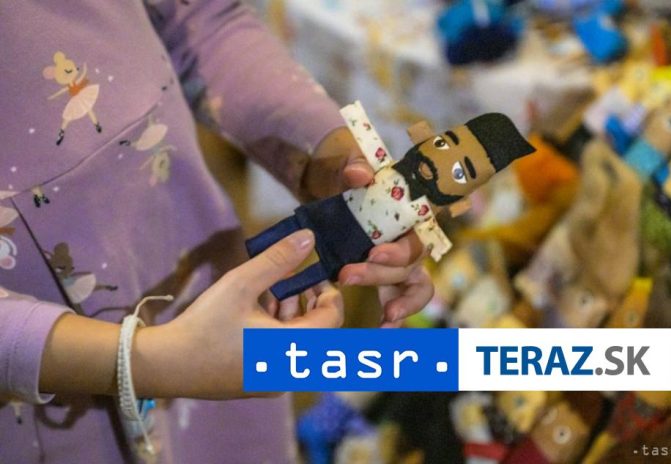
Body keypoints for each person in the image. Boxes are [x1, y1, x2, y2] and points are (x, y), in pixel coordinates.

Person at [0, 1, 433, 462]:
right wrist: (148, 361)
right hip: (38, 389)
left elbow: (199, 19)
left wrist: (334, 163)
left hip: (205, 297)